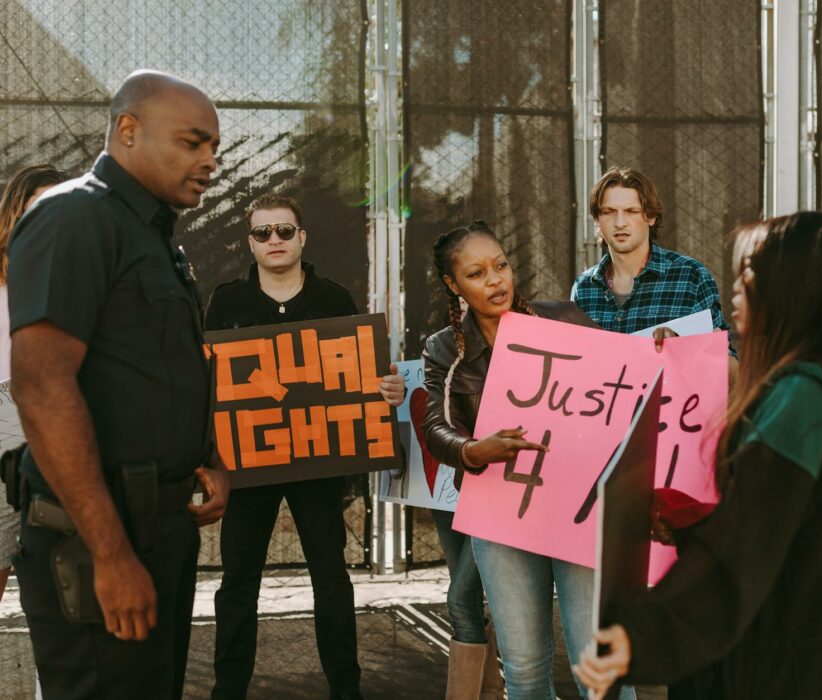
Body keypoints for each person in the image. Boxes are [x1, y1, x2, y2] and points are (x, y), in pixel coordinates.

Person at [575, 212, 822, 700]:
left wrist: (643, 634)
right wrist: (696, 518)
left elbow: (743, 549)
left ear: (794, 288)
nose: (736, 286)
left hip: (801, 669)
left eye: (752, 271)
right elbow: (804, 525)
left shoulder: (806, 398)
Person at [8, 70, 230, 699]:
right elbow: (43, 389)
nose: (210, 161)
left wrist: (204, 457)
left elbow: (153, 369)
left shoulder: (155, 238)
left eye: (214, 146)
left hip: (160, 528)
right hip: (95, 537)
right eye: (192, 143)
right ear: (128, 131)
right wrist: (109, 554)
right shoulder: (72, 218)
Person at [421, 220, 638, 700]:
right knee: (523, 669)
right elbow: (436, 428)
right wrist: (472, 451)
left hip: (578, 507)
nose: (496, 281)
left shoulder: (564, 319)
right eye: (476, 274)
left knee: (597, 669)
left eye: (500, 265)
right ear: (453, 286)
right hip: (501, 515)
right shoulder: (443, 349)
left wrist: (655, 349)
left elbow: (620, 387)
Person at [205, 192, 405, 700]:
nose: (274, 240)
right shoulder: (226, 301)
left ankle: (346, 688)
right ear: (250, 242)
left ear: (302, 237)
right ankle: (227, 691)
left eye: (284, 231)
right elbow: (207, 382)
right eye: (263, 232)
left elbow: (363, 378)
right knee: (237, 583)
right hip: (248, 466)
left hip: (318, 462)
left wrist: (388, 390)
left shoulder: (335, 300)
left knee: (330, 576)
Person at [571, 166, 737, 370]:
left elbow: (730, 371)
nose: (620, 222)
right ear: (598, 220)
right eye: (609, 212)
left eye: (631, 211)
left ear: (650, 217)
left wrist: (688, 351)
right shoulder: (584, 287)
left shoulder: (690, 277)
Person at [0, 164, 68, 604]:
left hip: (65, 412)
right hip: (6, 410)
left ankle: (58, 676)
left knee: (61, 575)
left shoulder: (85, 273)